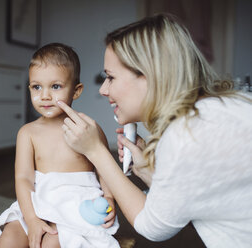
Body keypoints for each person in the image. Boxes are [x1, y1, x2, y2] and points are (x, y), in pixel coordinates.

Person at [57, 14, 252, 247]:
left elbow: (153, 227)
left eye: (110, 77)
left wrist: (96, 152)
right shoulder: (221, 109)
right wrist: (149, 172)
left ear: (149, 76)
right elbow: (195, 200)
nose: (103, 90)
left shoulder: (186, 135)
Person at [0, 43, 120, 248]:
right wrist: (32, 219)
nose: (45, 96)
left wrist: (110, 197)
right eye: (37, 87)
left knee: (52, 243)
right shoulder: (27, 133)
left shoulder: (88, 128)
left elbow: (104, 169)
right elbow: (23, 178)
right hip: (38, 202)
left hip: (76, 205)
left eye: (56, 86)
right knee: (10, 237)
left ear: (76, 91)